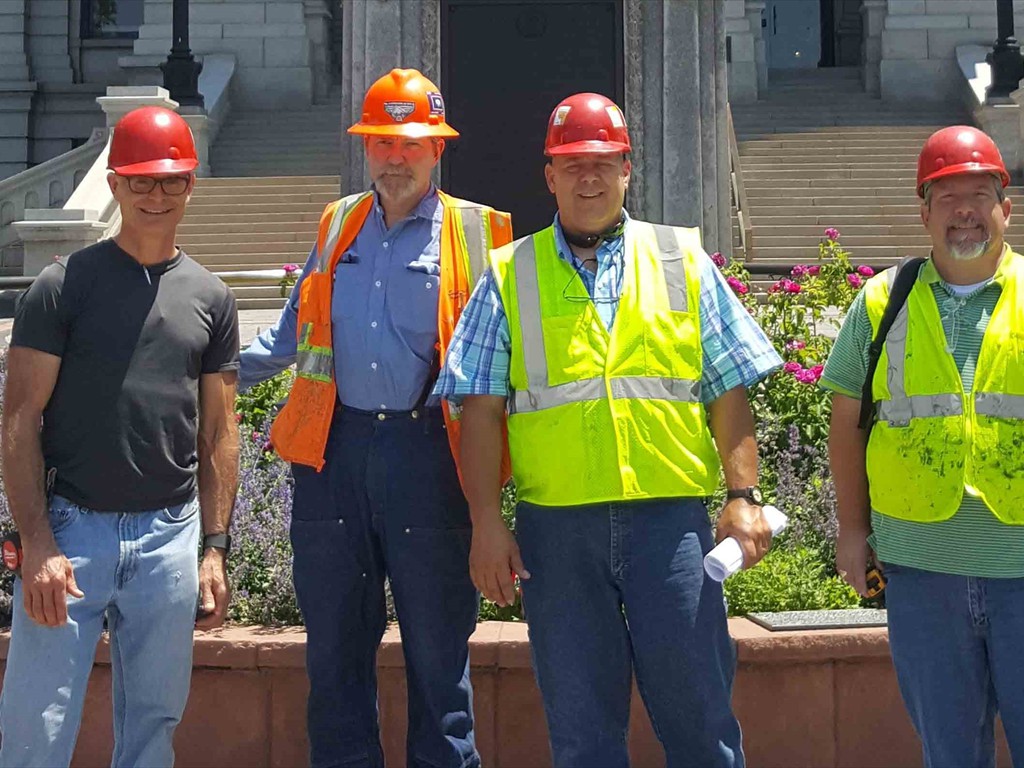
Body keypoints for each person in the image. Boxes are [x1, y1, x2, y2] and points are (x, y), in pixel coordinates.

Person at [435, 92, 781, 768]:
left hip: (670, 529)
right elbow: (477, 408)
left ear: (628, 169)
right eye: (572, 164)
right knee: (584, 736)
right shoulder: (510, 274)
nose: (588, 178)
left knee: (700, 723)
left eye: (603, 163)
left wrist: (742, 496)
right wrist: (485, 521)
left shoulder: (682, 259)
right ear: (549, 176)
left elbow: (728, 390)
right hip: (556, 536)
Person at [239, 68, 512, 768]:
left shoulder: (480, 235)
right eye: (382, 143)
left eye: (410, 143)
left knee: (438, 662)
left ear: (437, 149)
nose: (395, 157)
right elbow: (291, 336)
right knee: (332, 660)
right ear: (366, 147)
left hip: (432, 461)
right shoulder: (337, 225)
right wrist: (200, 365)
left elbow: (516, 360)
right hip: (334, 460)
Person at [0, 106, 240, 767]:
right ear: (113, 184)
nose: (155, 195)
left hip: (170, 538)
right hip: (72, 535)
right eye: (140, 181)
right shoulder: (61, 288)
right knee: (33, 733)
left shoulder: (211, 297)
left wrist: (214, 549)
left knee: (151, 734)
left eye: (169, 181)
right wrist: (40, 540)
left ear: (191, 183)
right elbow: (19, 419)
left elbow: (220, 432)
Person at [825, 125, 1024, 767]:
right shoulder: (883, 301)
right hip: (921, 574)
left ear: (1006, 206)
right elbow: (846, 424)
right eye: (946, 197)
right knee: (949, 754)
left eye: (978, 194)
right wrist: (852, 532)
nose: (964, 211)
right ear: (923, 211)